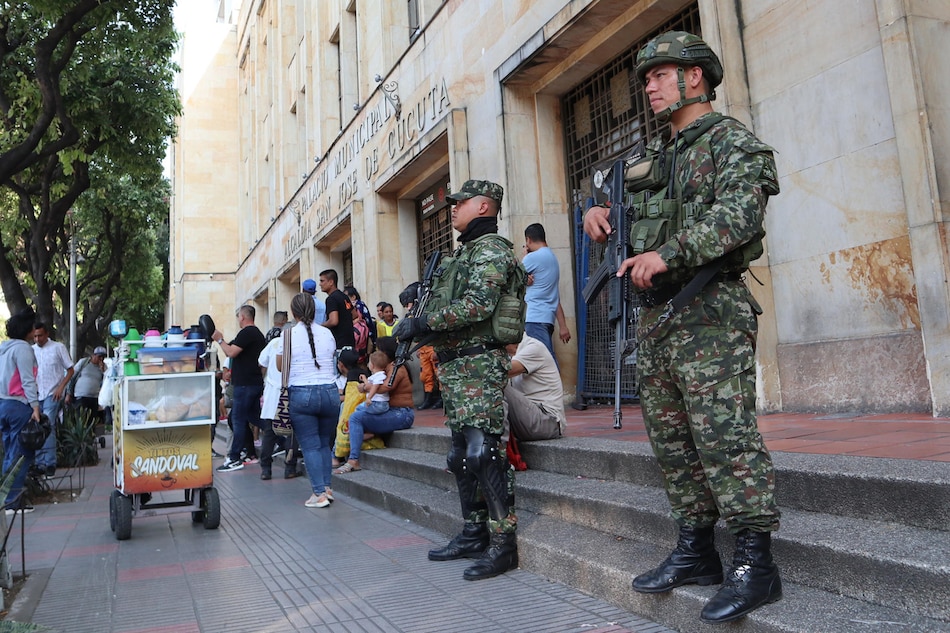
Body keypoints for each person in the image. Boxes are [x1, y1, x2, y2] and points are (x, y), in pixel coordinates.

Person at [583, 31, 782, 624]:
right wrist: (599, 210)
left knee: (726, 440)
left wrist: (669, 254)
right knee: (673, 444)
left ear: (694, 77)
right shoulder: (658, 154)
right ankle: (696, 550)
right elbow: (627, 198)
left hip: (710, 314)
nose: (647, 87)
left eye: (658, 76)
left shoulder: (730, 141)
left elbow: (739, 214)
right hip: (659, 321)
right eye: (646, 79)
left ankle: (756, 564)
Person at [393, 179, 522, 581]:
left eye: (459, 203)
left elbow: (479, 305)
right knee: (461, 457)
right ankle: (473, 532)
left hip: (478, 364)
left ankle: (503, 545)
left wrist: (423, 321)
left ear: (483, 207)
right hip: (455, 366)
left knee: (484, 453)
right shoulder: (463, 254)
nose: (452, 209)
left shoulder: (492, 251)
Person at [278, 292, 340, 508]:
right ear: (315, 311)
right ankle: (327, 488)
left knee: (311, 446)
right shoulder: (328, 334)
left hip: (302, 394)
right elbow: (330, 358)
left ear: (293, 313)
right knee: (324, 444)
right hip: (330, 393)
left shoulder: (287, 335)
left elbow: (280, 366)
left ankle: (318, 494)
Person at [333, 338, 414, 475]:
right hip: (389, 411)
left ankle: (352, 460)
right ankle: (345, 453)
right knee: (352, 416)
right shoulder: (385, 369)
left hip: (402, 414)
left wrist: (365, 386)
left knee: (356, 418)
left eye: (378, 350)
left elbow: (385, 388)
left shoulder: (397, 368)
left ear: (385, 353)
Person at [212, 305, 266, 472]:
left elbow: (231, 352)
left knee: (237, 419)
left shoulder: (247, 332)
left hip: (245, 385)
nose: (238, 320)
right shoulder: (257, 334)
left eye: (238, 317)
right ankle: (284, 442)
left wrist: (220, 339)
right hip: (254, 383)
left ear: (242, 317)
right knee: (256, 418)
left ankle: (234, 457)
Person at [0, 307, 41, 513]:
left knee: (10, 453)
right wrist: (35, 406)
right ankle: (13, 502)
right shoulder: (24, 349)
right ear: (27, 330)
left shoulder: (3, 349)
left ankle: (5, 498)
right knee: (22, 455)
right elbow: (27, 380)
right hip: (19, 406)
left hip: (3, 406)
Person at [522, 223, 571, 362]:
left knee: (544, 362)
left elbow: (512, 275)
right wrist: (562, 326)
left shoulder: (532, 258)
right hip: (547, 320)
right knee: (543, 360)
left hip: (534, 318)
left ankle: (555, 385)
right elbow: (555, 297)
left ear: (528, 239)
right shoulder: (552, 258)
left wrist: (524, 255)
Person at [258, 323, 301, 480]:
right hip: (291, 393)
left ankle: (266, 469)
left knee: (269, 433)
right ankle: (290, 468)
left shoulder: (273, 343)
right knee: (292, 432)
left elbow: (261, 362)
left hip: (274, 393)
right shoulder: (298, 344)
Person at [503, 334, 565, 441]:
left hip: (547, 421)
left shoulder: (534, 348)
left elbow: (503, 371)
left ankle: (498, 449)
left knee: (493, 384)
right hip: (528, 418)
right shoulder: (508, 354)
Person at [32, 321, 74, 478]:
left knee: (48, 425)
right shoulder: (31, 351)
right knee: (37, 428)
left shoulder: (58, 348)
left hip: (52, 393)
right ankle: (39, 464)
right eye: (35, 336)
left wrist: (61, 387)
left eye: (40, 336)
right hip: (36, 395)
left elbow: (70, 369)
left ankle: (49, 463)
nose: (37, 339)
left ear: (47, 334)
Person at [399, 282, 441, 410]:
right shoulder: (416, 312)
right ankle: (428, 398)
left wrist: (437, 350)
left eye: (408, 304)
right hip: (423, 348)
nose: (408, 307)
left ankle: (441, 398)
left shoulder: (429, 308)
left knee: (438, 374)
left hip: (433, 346)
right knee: (425, 375)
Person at [65, 345, 108, 431]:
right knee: (81, 419)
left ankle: (90, 439)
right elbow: (72, 377)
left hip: (94, 397)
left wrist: (103, 370)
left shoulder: (104, 367)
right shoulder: (84, 362)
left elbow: (106, 383)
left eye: (103, 357)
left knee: (91, 420)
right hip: (81, 395)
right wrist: (68, 393)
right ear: (93, 355)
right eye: (99, 356)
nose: (100, 359)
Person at [318, 269, 355, 350]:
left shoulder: (331, 299)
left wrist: (320, 326)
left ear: (331, 282)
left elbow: (333, 321)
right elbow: (355, 314)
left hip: (338, 345)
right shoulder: (344, 296)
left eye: (322, 281)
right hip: (350, 343)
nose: (320, 284)